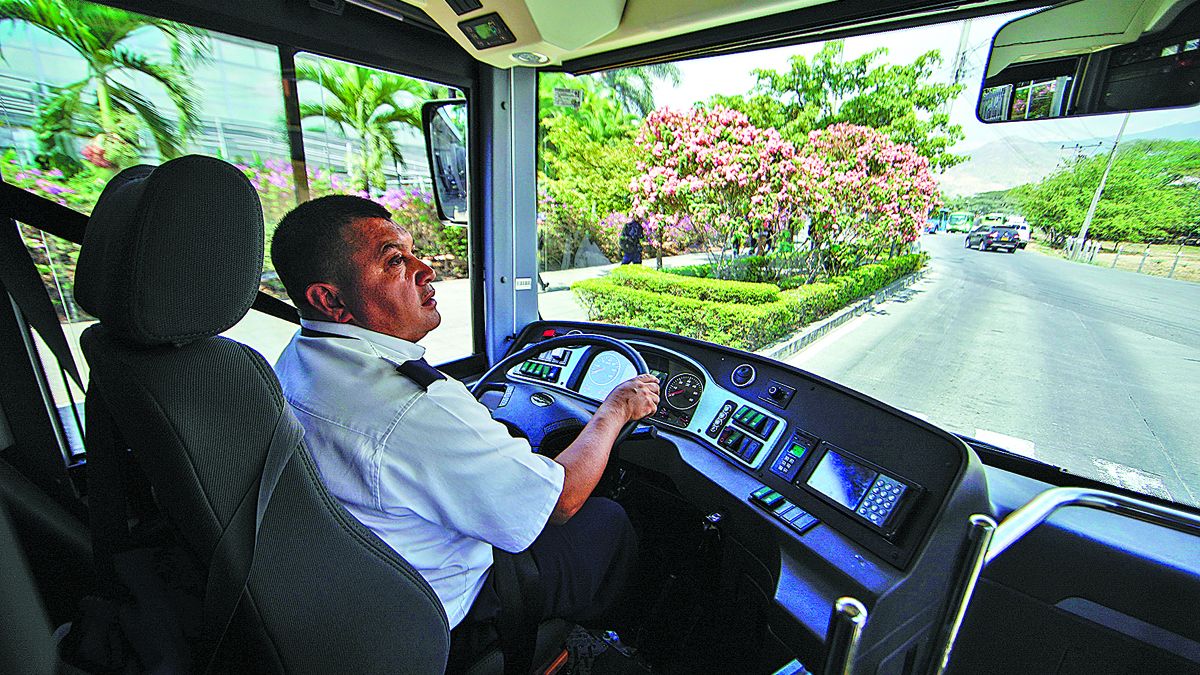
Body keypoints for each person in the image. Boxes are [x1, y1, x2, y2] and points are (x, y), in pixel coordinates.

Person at [269, 195, 660, 664]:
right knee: (608, 520)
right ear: (330, 300)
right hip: (448, 610)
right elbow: (560, 501)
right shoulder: (411, 405)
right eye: (394, 261)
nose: (425, 270)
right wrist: (615, 409)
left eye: (413, 252)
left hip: (356, 590)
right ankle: (630, 645)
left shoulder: (298, 356)